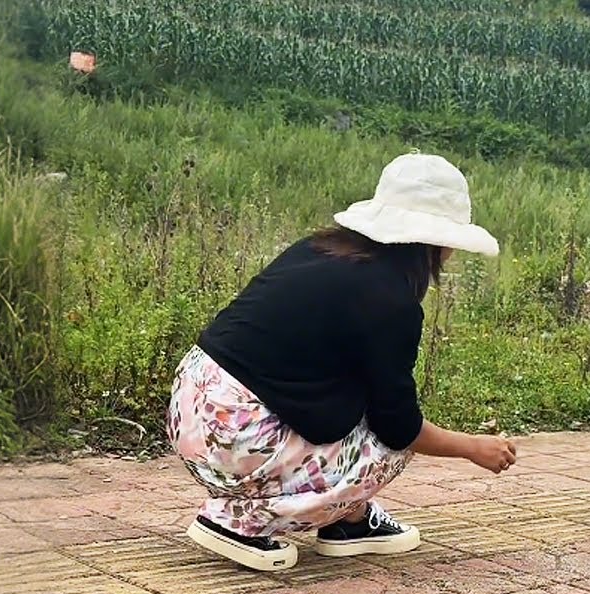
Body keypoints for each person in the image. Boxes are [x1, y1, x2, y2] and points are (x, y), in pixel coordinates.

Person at [167, 153, 518, 571]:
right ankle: (239, 523)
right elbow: (399, 426)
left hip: (190, 406)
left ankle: (351, 521)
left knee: (357, 405)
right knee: (389, 445)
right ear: (437, 242)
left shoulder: (318, 249)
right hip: (237, 435)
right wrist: (472, 447)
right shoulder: (390, 300)